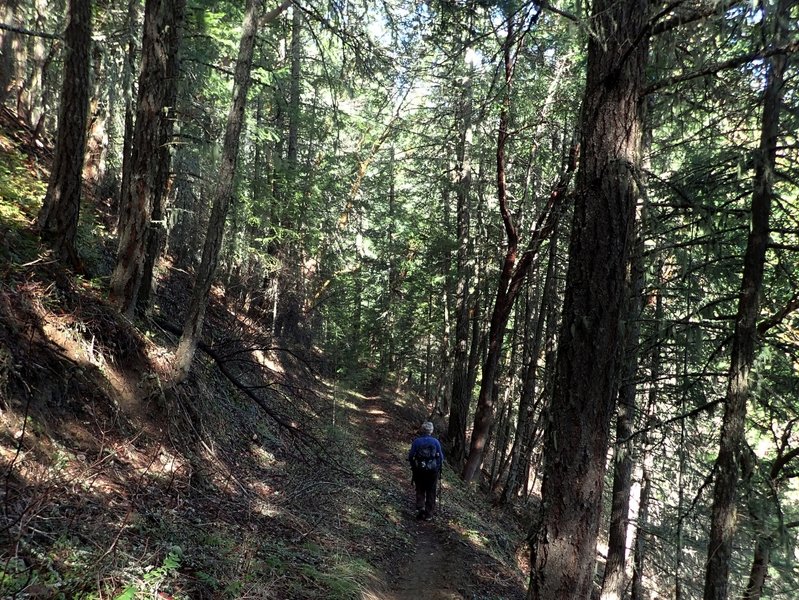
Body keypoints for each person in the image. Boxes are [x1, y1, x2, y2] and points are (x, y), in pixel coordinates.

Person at [408, 421, 444, 521]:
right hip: (432, 471)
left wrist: (413, 465)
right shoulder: (435, 442)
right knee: (431, 491)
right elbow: (441, 457)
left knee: (420, 488)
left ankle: (420, 508)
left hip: (419, 470)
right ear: (431, 431)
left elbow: (411, 456)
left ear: (422, 430)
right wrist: (437, 467)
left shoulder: (417, 441)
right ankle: (429, 514)